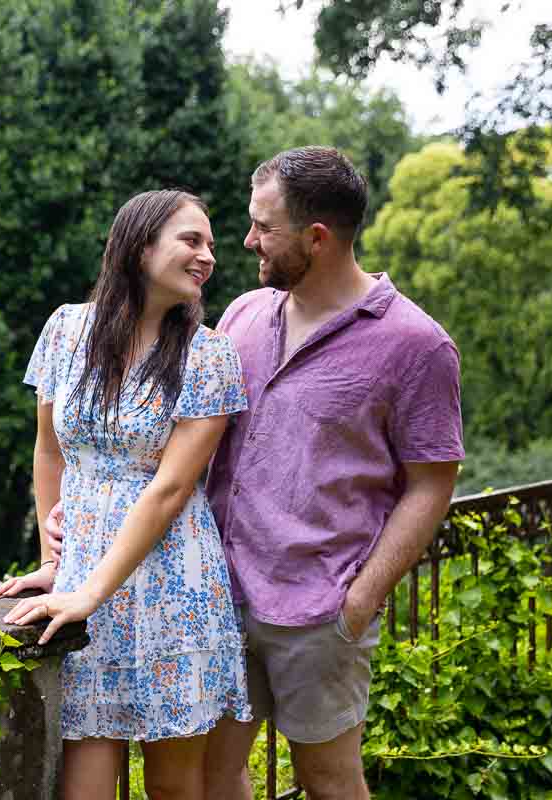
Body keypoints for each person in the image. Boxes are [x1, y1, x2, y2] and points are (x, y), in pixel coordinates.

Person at [47, 147, 464, 799]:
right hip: (216, 596)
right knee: (215, 779)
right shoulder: (243, 316)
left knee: (327, 779)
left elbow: (433, 483)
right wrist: (79, 514)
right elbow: (168, 434)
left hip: (318, 607)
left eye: (263, 227)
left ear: (317, 237)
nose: (246, 242)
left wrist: (363, 596)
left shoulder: (416, 345)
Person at [0, 189, 251, 800]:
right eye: (192, 240)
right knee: (83, 788)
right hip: (83, 584)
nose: (208, 256)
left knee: (174, 790)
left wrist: (88, 590)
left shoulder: (208, 355)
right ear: (139, 246)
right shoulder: (65, 330)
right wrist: (56, 566)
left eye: (211, 244)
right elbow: (50, 450)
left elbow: (170, 489)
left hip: (174, 587)